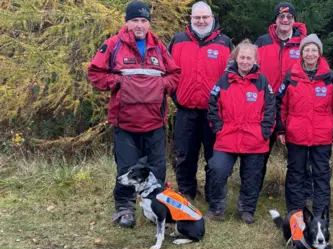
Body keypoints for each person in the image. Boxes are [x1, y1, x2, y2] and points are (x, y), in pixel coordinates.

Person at [87, 1, 181, 228]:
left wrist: (160, 86)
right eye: (135, 20)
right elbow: (95, 73)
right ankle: (124, 209)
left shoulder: (158, 47)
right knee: (127, 168)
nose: (139, 25)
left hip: (154, 121)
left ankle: (156, 207)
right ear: (126, 22)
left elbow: (175, 74)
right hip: (125, 123)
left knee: (157, 168)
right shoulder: (113, 45)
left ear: (149, 23)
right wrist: (119, 82)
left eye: (143, 21)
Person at [276, 34, 333, 223]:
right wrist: (281, 130)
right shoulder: (291, 76)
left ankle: (320, 216)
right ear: (301, 53)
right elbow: (281, 104)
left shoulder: (330, 77)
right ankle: (295, 214)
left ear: (319, 53)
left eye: (314, 49)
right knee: (295, 173)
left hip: (322, 135)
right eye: (306, 49)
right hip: (296, 133)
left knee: (321, 175)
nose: (310, 53)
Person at [168, 1, 233, 202]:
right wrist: (175, 96)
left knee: (215, 156)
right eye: (197, 17)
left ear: (212, 18)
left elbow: (233, 78)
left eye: (205, 17)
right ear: (191, 19)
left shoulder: (225, 43)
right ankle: (187, 191)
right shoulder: (177, 41)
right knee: (185, 154)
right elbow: (168, 72)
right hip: (186, 109)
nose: (201, 21)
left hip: (214, 112)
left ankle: (213, 193)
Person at [206, 40, 275, 224]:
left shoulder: (262, 82)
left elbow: (270, 108)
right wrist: (218, 128)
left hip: (254, 138)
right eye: (242, 57)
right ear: (235, 58)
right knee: (217, 169)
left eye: (248, 58)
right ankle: (216, 209)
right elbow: (212, 105)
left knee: (252, 176)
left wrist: (264, 131)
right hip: (227, 135)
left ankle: (246, 210)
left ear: (255, 59)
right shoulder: (224, 80)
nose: (245, 61)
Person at [254, 1, 310, 194]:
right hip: (266, 107)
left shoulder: (304, 43)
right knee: (259, 153)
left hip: (295, 108)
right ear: (275, 20)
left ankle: (300, 195)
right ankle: (252, 193)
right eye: (281, 17)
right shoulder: (262, 42)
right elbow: (251, 71)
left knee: (299, 155)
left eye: (289, 17)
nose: (285, 20)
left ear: (294, 21)